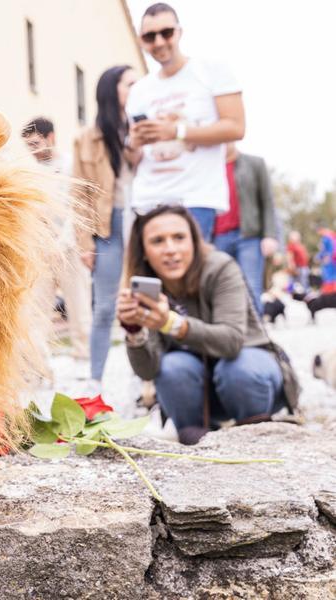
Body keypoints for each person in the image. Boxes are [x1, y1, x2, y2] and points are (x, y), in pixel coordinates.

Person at [117, 205, 293, 445]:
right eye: (158, 241)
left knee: (238, 368)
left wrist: (169, 322)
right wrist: (134, 331)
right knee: (171, 368)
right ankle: (195, 439)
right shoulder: (150, 289)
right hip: (196, 390)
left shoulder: (220, 268)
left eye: (179, 238)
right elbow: (148, 371)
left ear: (194, 241)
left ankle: (255, 436)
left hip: (248, 379)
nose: (170, 249)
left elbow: (231, 342)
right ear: (144, 251)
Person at [126, 2, 245, 242]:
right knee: (147, 280)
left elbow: (236, 127)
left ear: (179, 32)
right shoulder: (139, 90)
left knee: (192, 279)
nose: (159, 42)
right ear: (141, 40)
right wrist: (134, 143)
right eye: (150, 36)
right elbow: (133, 158)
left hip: (195, 199)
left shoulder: (212, 70)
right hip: (148, 200)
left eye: (166, 32)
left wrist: (176, 131)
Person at [73, 65, 141, 387]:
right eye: (130, 84)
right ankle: (95, 380)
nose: (137, 89)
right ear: (112, 90)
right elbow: (80, 193)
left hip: (145, 221)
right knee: (104, 308)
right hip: (107, 226)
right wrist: (85, 244)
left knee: (146, 299)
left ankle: (149, 380)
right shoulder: (88, 138)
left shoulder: (144, 126)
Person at [22, 117, 90, 376]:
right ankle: (39, 367)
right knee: (36, 310)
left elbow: (80, 206)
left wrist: (78, 243)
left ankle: (84, 358)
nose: (34, 150)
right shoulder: (29, 172)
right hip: (41, 250)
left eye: (37, 143)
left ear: (51, 138)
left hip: (71, 245)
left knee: (79, 304)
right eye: (29, 145)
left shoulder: (72, 165)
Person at [212, 144, 278, 313]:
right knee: (222, 288)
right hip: (218, 237)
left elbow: (267, 201)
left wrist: (270, 235)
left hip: (248, 236)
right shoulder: (209, 167)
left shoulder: (254, 163)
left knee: (251, 286)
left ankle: (257, 338)